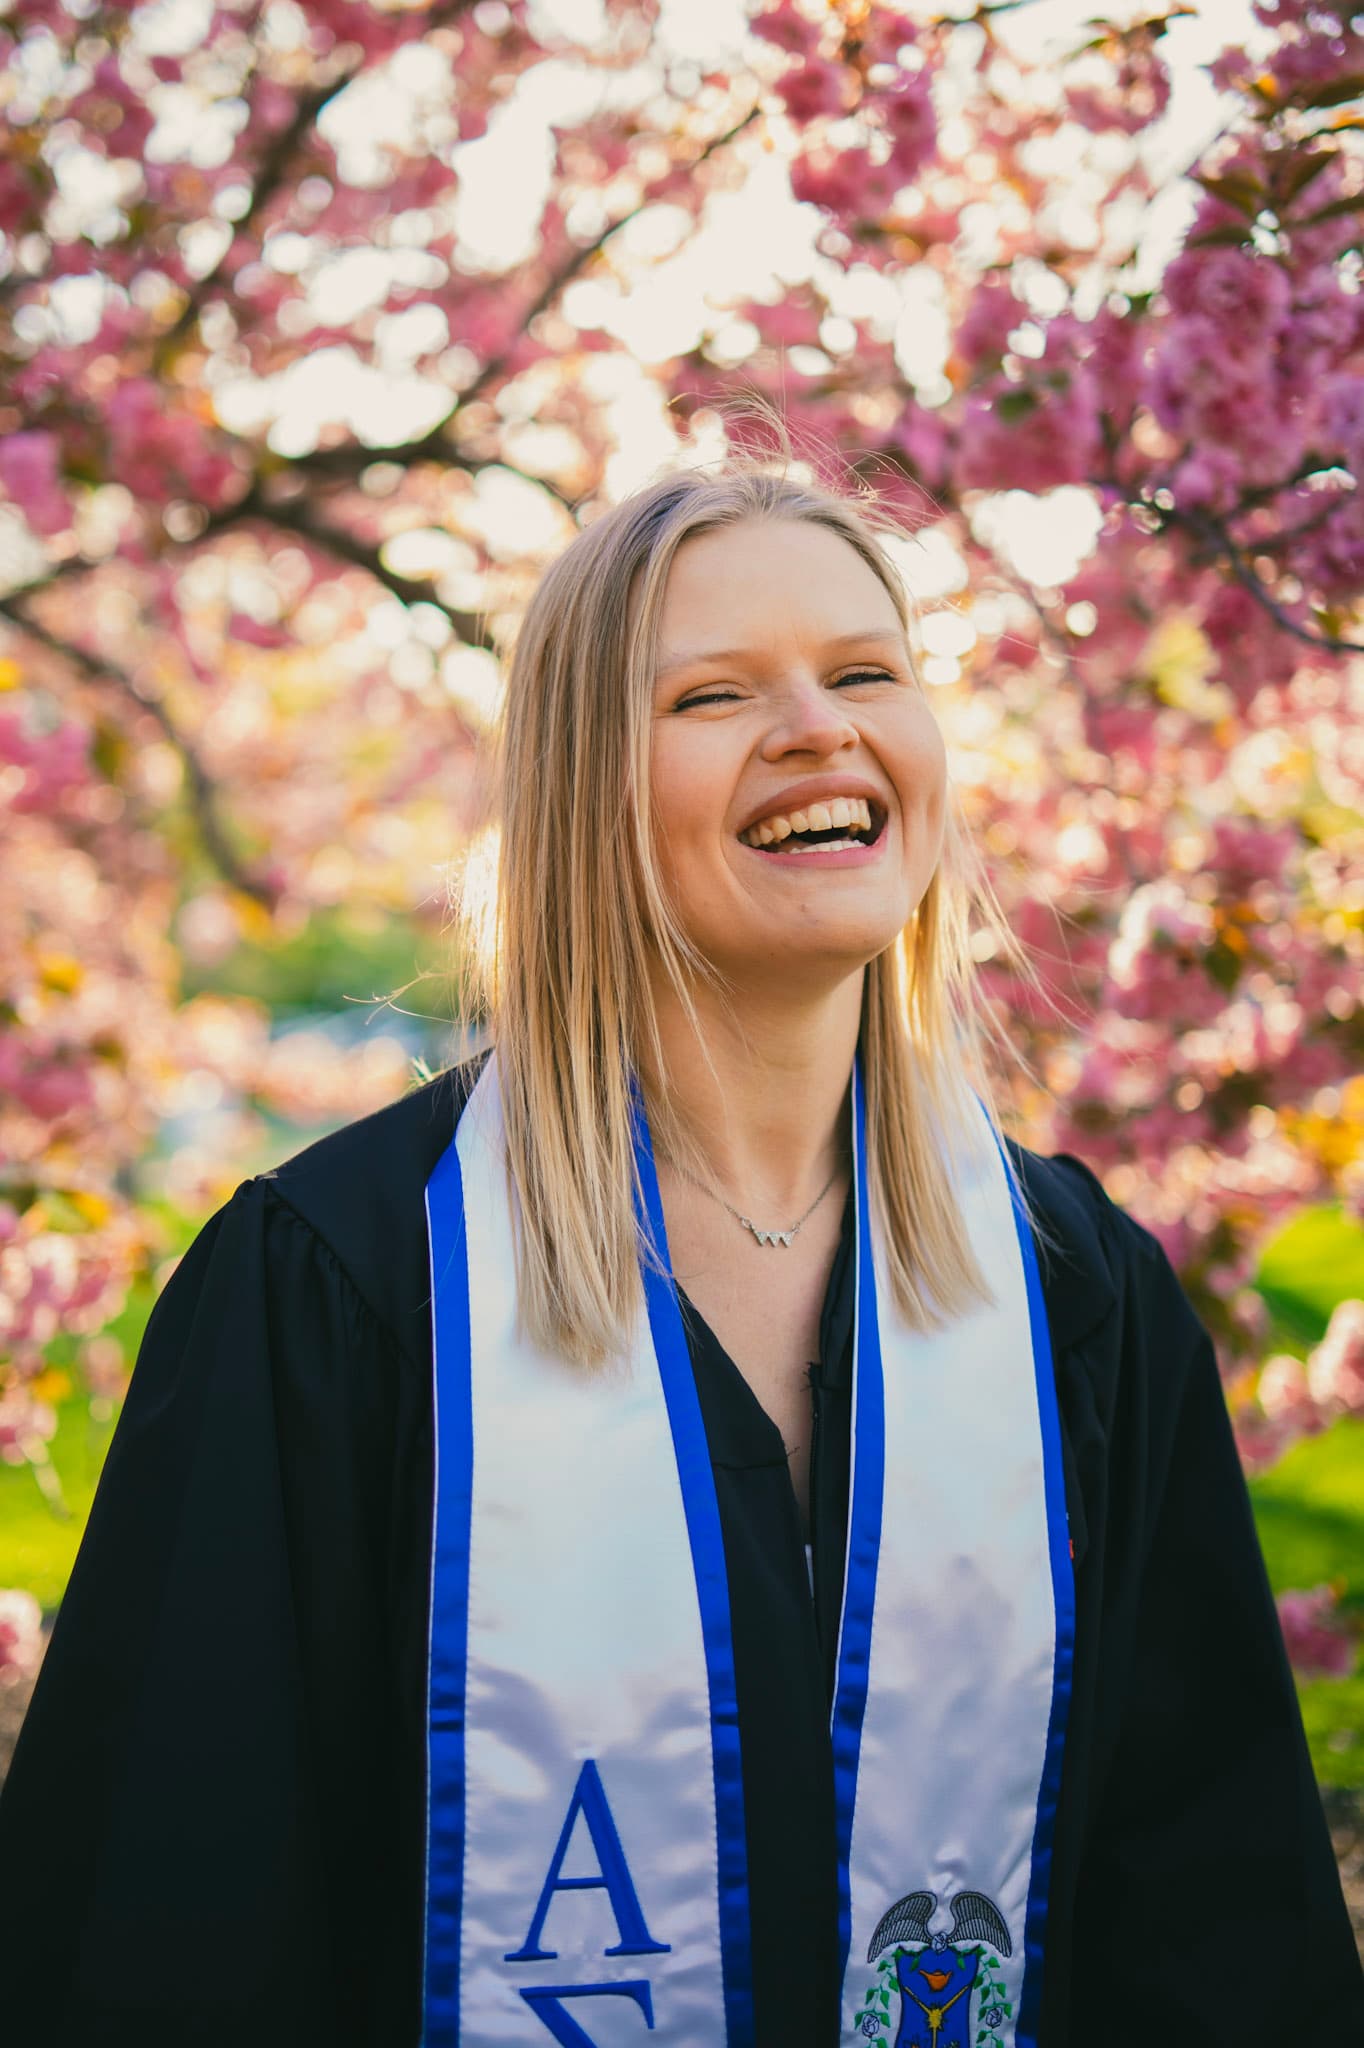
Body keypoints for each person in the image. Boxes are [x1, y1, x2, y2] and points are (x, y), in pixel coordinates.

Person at [0, 446, 1360, 2048]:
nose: (818, 729)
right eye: (713, 697)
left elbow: (1213, 1940)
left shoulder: (1074, 1296)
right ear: (582, 789)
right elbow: (165, 1949)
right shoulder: (345, 1291)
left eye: (868, 671)